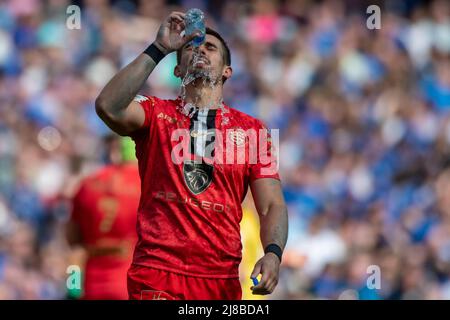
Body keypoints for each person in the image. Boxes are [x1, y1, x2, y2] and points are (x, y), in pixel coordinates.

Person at [95, 11, 288, 300]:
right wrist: (159, 48)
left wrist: (273, 253)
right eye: (189, 48)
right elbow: (108, 106)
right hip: (157, 272)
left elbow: (272, 204)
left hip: (219, 279)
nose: (200, 49)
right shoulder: (155, 114)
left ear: (227, 71)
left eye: (211, 48)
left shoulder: (254, 131)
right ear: (177, 70)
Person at [67, 135, 140, 299]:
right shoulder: (145, 184)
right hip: (131, 281)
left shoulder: (86, 184)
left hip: (91, 284)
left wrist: (72, 287)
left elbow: (73, 243)